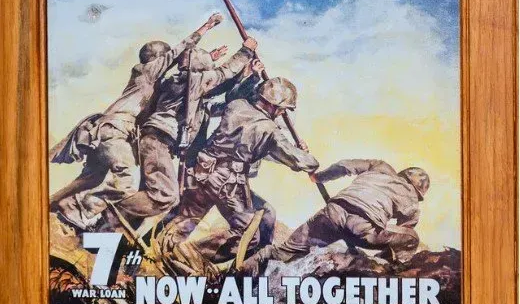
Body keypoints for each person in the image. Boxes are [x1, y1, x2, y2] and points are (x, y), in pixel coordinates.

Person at [49, 13, 224, 229]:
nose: (173, 62)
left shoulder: (154, 83)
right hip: (117, 131)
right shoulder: (146, 71)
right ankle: (73, 209)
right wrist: (205, 27)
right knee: (124, 183)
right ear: (158, 58)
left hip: (111, 132)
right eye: (167, 58)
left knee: (90, 179)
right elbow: (177, 53)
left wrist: (206, 61)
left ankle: (53, 204)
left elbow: (185, 83)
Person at [159, 77, 319, 261]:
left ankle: (154, 255)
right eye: (283, 108)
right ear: (274, 105)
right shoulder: (269, 129)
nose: (283, 112)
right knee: (248, 235)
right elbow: (299, 161)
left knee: (184, 220)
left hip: (202, 171)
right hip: (227, 182)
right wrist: (305, 154)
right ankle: (188, 257)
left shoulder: (236, 105)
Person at [109, 37, 259, 224]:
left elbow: (225, 98)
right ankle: (108, 216)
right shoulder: (186, 81)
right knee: (166, 196)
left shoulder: (187, 89)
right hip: (157, 142)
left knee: (148, 195)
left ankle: (113, 234)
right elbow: (223, 74)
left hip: (157, 144)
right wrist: (245, 51)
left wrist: (249, 76)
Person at [240, 159, 430, 275]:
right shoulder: (411, 198)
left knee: (285, 251)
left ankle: (244, 268)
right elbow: (405, 230)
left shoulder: (381, 167)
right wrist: (388, 255)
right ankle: (395, 268)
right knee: (412, 237)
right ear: (418, 191)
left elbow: (344, 166)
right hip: (363, 229)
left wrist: (319, 177)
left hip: (332, 213)